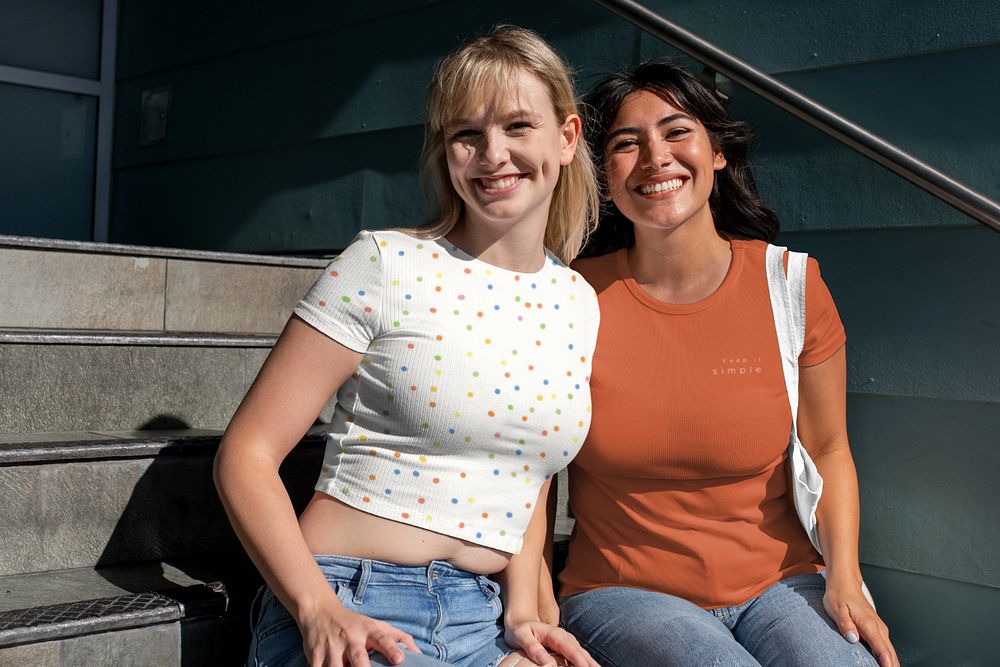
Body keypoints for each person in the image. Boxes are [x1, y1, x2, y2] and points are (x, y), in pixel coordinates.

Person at [215, 25, 602, 667]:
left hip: (483, 619)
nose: (492, 153)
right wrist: (319, 610)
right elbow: (246, 455)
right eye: (466, 135)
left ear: (565, 139)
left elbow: (525, 472)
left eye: (517, 127)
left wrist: (526, 614)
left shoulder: (576, 301)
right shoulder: (386, 264)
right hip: (351, 601)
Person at [545, 61, 899, 667]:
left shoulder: (789, 284)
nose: (655, 157)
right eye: (626, 144)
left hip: (782, 584)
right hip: (621, 594)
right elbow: (532, 466)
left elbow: (829, 450)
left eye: (676, 132)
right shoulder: (571, 297)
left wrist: (845, 577)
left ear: (718, 154)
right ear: (604, 175)